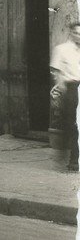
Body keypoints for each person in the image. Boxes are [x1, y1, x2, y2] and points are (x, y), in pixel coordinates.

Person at [51, 23, 80, 172]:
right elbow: (56, 74)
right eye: (76, 33)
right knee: (73, 125)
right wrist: (61, 93)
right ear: (71, 33)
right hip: (71, 89)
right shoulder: (62, 50)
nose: (79, 36)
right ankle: (74, 160)